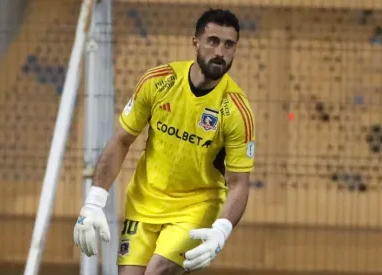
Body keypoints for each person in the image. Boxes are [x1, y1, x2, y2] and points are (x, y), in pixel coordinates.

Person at [73, 8, 255, 275]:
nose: (220, 52)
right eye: (213, 41)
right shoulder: (158, 82)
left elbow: (239, 183)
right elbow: (122, 141)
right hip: (143, 203)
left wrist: (221, 230)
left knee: (157, 270)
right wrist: (94, 201)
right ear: (196, 43)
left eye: (229, 45)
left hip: (195, 207)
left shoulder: (237, 110)